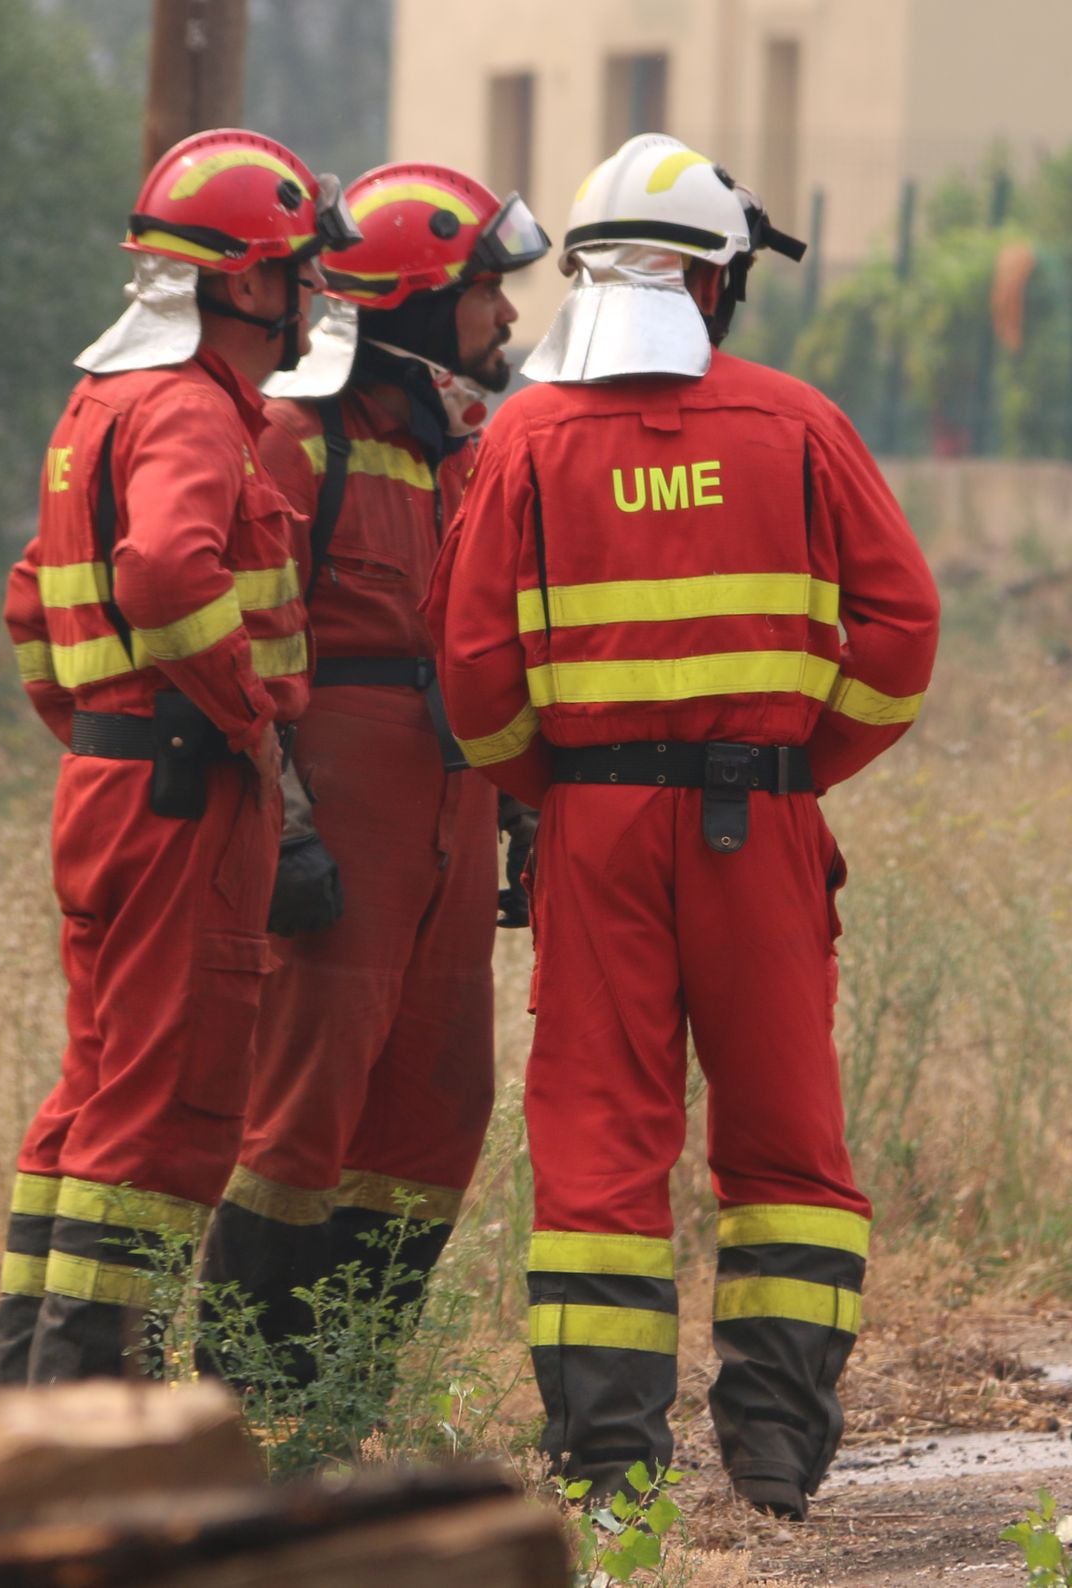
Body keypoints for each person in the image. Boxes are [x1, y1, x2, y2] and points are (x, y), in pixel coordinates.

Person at [424, 134, 941, 1518]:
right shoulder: (800, 423)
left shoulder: (523, 437)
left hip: (595, 824)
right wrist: (801, 767)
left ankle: (611, 1475)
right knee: (788, 1140)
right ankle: (773, 1460)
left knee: (599, 1132)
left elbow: (471, 671)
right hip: (758, 822)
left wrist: (555, 792)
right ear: (716, 287)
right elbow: (902, 632)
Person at [0, 127, 360, 1385]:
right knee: (162, 1111)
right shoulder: (194, 411)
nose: (312, 295)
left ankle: (23, 1404)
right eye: (301, 269)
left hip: (112, 780)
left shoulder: (97, 404)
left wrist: (101, 729)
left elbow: (34, 604)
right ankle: (92, 1421)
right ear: (247, 283)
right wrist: (243, 712)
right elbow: (160, 570)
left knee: (91, 1094)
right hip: (183, 796)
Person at [196, 164, 549, 1375]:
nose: (506, 317)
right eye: (488, 292)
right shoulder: (298, 443)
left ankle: (347, 1396)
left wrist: (526, 817)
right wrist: (284, 824)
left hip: (452, 814)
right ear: (413, 302)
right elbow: (242, 650)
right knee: (301, 1105)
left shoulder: (465, 455)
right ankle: (245, 1397)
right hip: (343, 826)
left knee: (439, 1109)